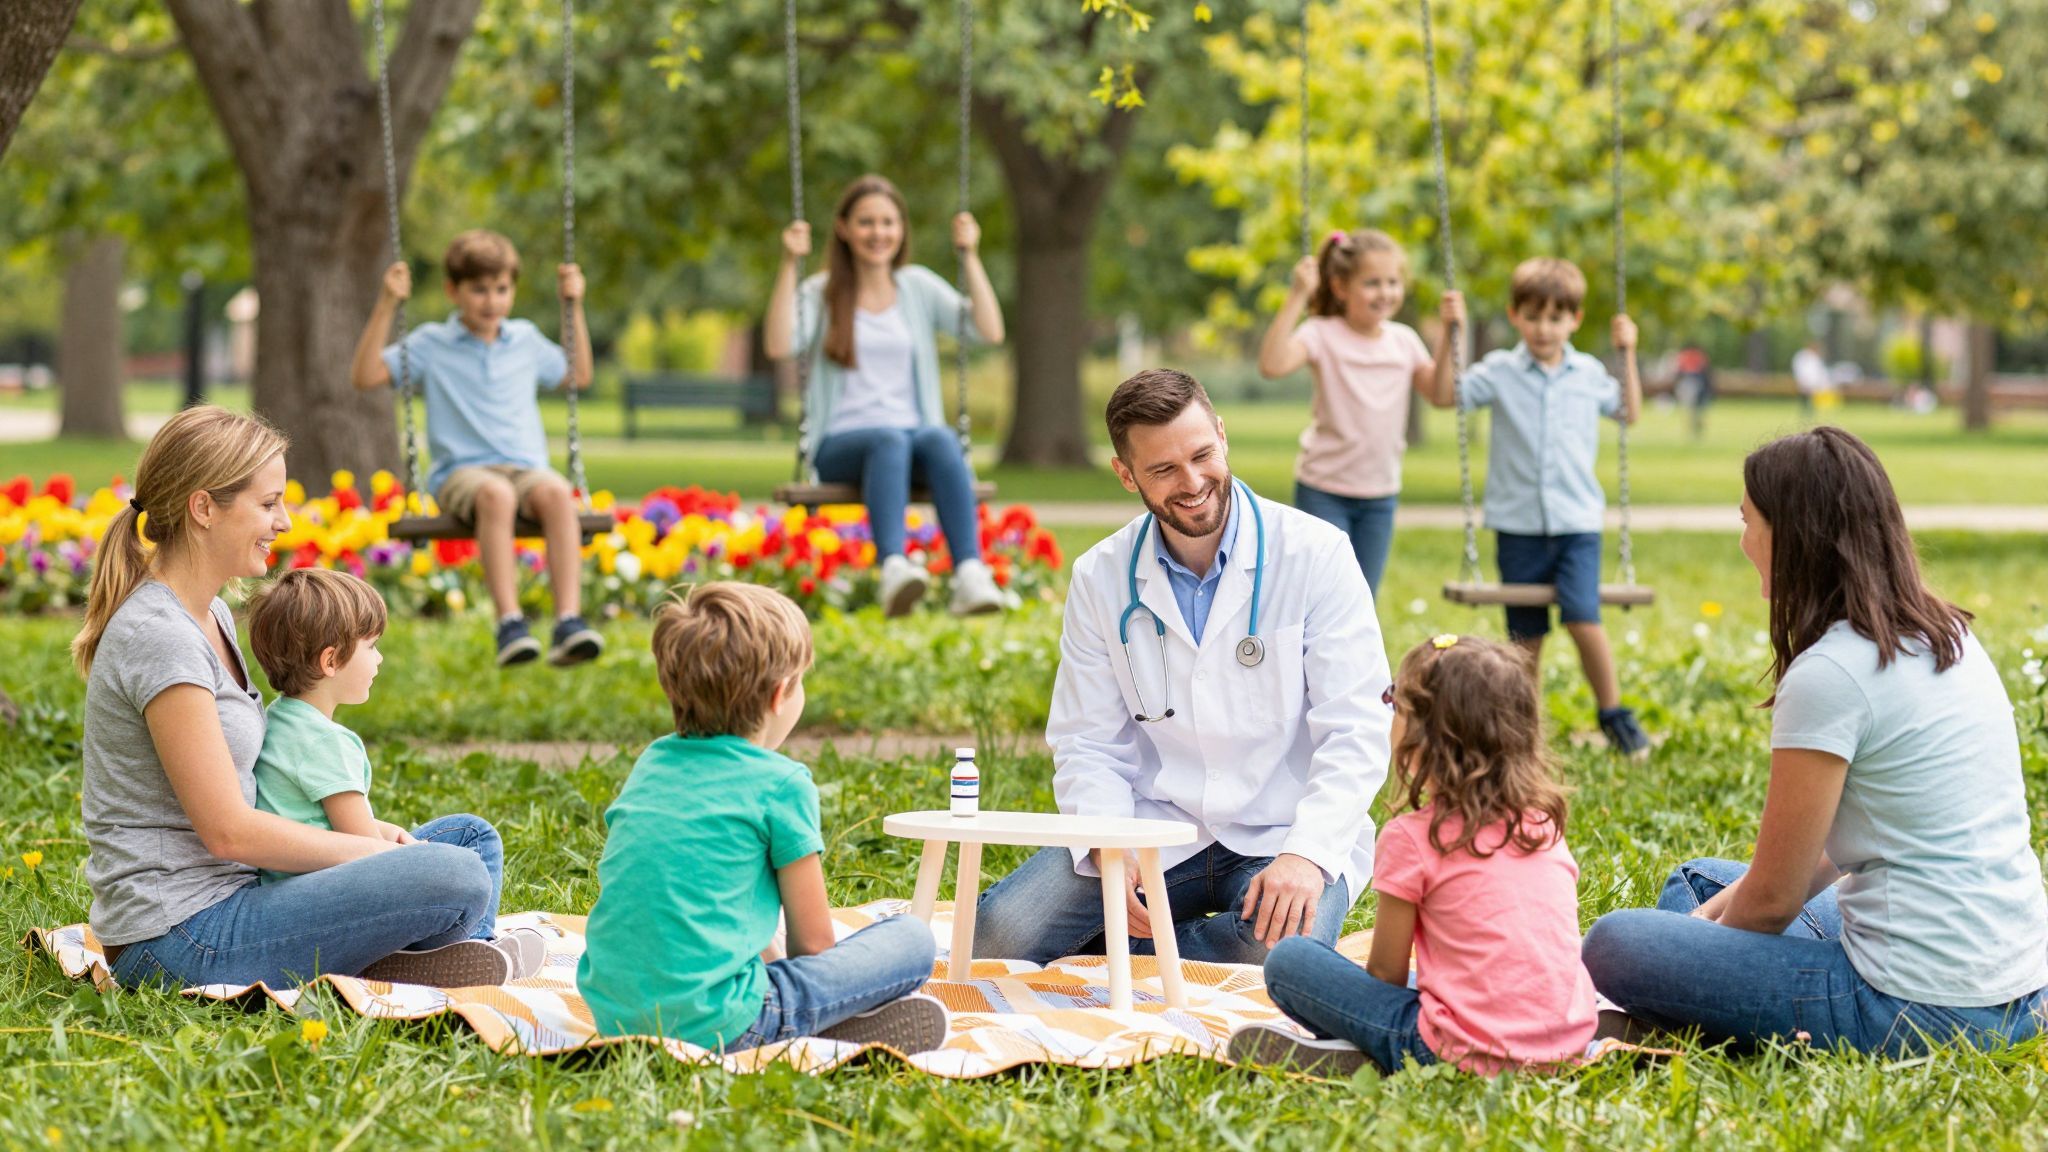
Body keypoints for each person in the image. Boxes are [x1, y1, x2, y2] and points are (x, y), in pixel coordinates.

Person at [1580, 427, 2048, 1055]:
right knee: (1696, 883)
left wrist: (1692, 942)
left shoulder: (1833, 671)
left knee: (1615, 944)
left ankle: (1672, 1019)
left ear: (1793, 534)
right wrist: (1700, 931)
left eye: (1748, 521)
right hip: (2018, 987)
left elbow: (1771, 901)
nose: (1743, 540)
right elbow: (1819, 860)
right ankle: (1694, 1010)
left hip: (1916, 1007)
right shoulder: (1948, 636)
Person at [76, 406, 516, 990]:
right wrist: (377, 860)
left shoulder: (209, 615)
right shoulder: (161, 636)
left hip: (243, 893)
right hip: (180, 937)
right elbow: (227, 832)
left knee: (464, 839)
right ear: (203, 507)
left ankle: (429, 955)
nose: (284, 521)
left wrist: (372, 837)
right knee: (454, 876)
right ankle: (431, 957)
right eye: (267, 503)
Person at [974, 368, 1392, 967]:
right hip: (1155, 828)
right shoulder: (1101, 576)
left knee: (1280, 950)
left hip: (1283, 830)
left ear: (1222, 435)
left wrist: (1307, 854)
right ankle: (1136, 951)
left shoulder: (1316, 553)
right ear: (1126, 475)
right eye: (1164, 469)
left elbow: (1355, 726)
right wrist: (1109, 852)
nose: (1193, 482)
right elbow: (1088, 741)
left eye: (1202, 454)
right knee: (997, 937)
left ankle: (1120, 956)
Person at [576, 583, 944, 1052]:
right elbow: (812, 947)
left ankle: (811, 1021)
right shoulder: (782, 784)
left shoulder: (652, 762)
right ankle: (818, 1024)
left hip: (615, 1015)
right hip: (721, 1024)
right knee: (912, 938)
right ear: (778, 695)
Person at [1229, 634, 1598, 1077]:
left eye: (1394, 701)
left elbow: (1384, 972)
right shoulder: (1542, 822)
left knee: (1292, 961)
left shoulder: (1414, 837)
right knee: (1431, 979)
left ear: (1423, 733)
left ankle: (1368, 1052)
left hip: (1457, 1052)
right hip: (1567, 1041)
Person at [241, 569, 547, 978]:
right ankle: (473, 946)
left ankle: (464, 947)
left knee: (466, 833)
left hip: (293, 886)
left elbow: (314, 815)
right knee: (477, 840)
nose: (380, 658)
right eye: (371, 646)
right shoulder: (328, 742)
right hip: (334, 893)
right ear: (331, 660)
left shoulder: (277, 720)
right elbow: (361, 847)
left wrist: (387, 831)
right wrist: (406, 856)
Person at [349, 229, 602, 669]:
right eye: (479, 289)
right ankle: (509, 624)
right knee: (495, 495)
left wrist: (574, 304)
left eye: (501, 289)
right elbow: (366, 374)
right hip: (463, 474)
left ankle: (568, 622)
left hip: (525, 467)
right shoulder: (431, 344)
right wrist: (388, 302)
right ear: (453, 290)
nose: (492, 300)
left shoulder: (524, 339)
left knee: (558, 493)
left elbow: (578, 375)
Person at [763, 174, 1007, 618]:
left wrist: (970, 254)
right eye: (866, 222)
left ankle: (970, 574)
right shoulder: (821, 292)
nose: (879, 233)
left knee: (940, 438)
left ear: (901, 229)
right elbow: (779, 344)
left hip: (909, 443)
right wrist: (787, 263)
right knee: (889, 438)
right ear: (843, 228)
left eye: (888, 223)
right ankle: (893, 566)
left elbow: (988, 330)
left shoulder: (915, 285)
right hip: (840, 443)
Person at [1432, 258, 1649, 757]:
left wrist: (1629, 354)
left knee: (1582, 616)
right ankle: (1522, 729)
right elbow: (1446, 396)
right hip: (1518, 525)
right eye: (1533, 316)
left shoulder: (1590, 373)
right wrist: (1450, 334)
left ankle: (1614, 714)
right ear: (1514, 315)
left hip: (1576, 524)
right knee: (1524, 638)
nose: (1544, 328)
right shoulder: (1501, 372)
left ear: (1574, 319)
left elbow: (1628, 411)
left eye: (1556, 318)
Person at [1256, 229, 1436, 596]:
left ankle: (1352, 656)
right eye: (1372, 283)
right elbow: (1272, 365)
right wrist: (1297, 296)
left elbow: (1443, 394)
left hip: (1380, 492)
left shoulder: (1404, 340)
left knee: (1362, 598)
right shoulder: (1322, 333)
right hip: (1324, 487)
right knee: (1323, 592)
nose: (1385, 292)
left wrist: (1450, 332)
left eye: (1393, 282)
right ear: (1340, 287)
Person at [1673, 343, 1714, 441]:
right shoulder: (1698, 356)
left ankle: (1694, 429)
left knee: (1693, 410)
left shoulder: (1686, 356)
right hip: (1696, 384)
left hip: (1692, 383)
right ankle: (1695, 429)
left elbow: (1679, 372)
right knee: (1696, 411)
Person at [1791, 339, 1830, 415]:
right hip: (1805, 379)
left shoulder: (1815, 357)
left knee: (1812, 396)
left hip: (1812, 380)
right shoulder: (1802, 356)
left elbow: (1818, 370)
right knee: (1805, 396)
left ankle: (1810, 411)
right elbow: (1799, 368)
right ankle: (1805, 411)